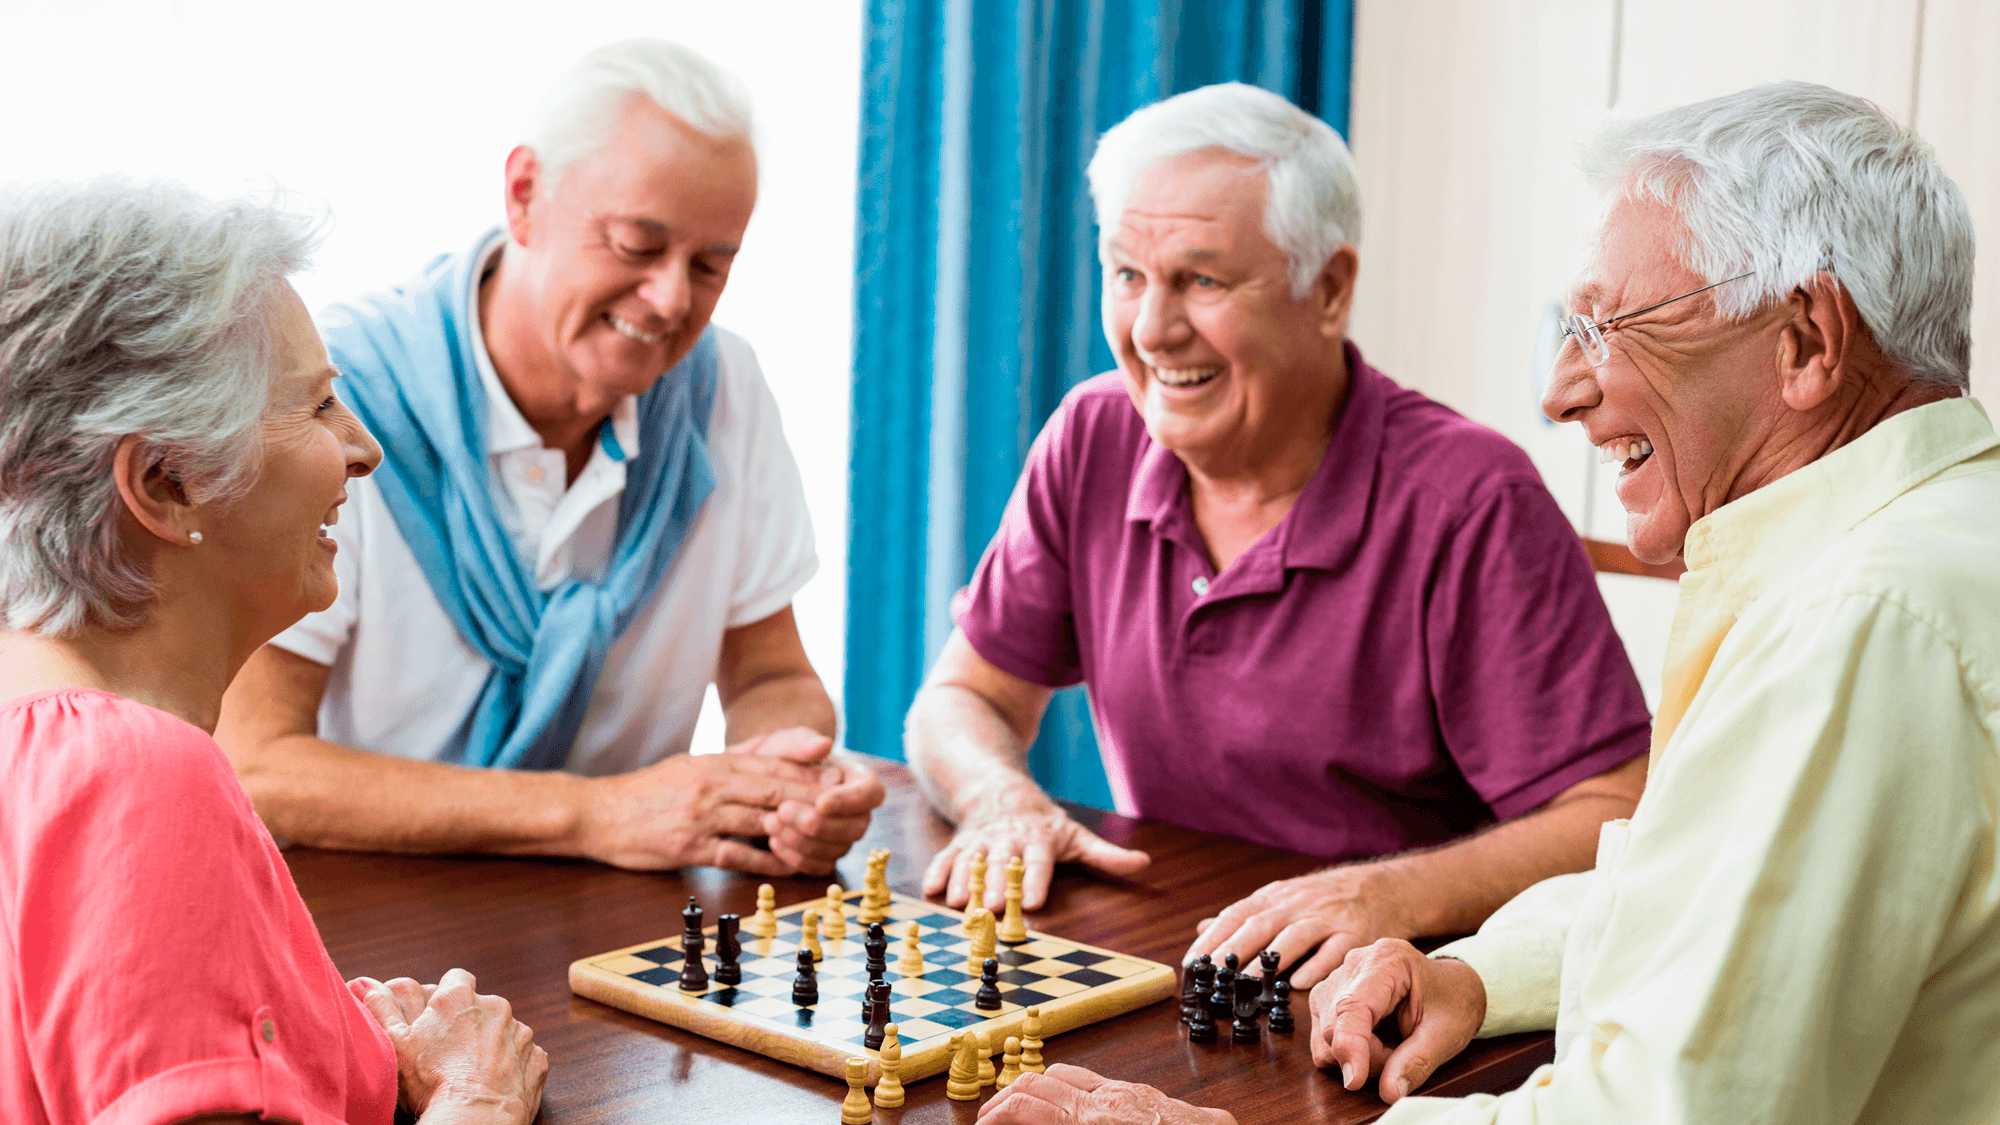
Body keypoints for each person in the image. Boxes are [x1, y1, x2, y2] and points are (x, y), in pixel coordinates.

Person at [987, 81, 2000, 1124]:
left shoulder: (1862, 621)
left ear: (1805, 341)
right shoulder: (1929, 547)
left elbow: (1658, 1113)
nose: (1561, 389)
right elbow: (1694, 901)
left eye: (1610, 327)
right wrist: (1480, 975)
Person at [906, 81, 1650, 987]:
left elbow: (1612, 810)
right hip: (1180, 965)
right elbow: (960, 698)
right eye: (1126, 274)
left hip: (1395, 1001)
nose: (1149, 329)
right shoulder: (1092, 433)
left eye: (1202, 280)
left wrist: (1384, 896)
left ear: (1329, 289)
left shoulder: (1470, 499)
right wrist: (1002, 799)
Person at [215, 39, 882, 876]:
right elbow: (257, 764)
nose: (673, 298)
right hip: (373, 939)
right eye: (638, 245)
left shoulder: (725, 388)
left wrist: (781, 775)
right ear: (525, 194)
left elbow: (770, 671)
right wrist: (597, 814)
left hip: (625, 932)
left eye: (711, 265)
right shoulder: (335, 400)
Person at [0, 179, 545, 1124]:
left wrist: (328, 1040)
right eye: (320, 405)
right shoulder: (140, 781)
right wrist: (478, 1101)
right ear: (166, 481)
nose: (365, 450)